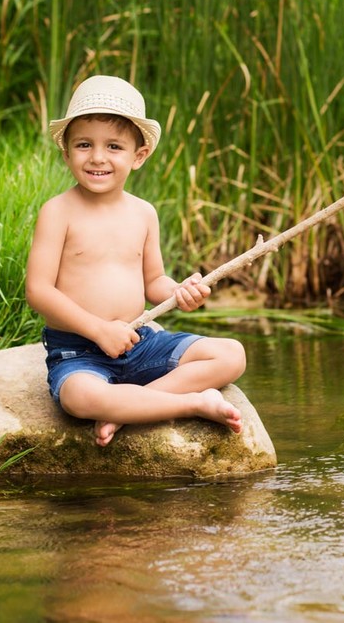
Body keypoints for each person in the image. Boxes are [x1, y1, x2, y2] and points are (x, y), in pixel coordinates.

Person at [25, 75, 245, 447]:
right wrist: (98, 330)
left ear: (138, 155)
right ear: (66, 152)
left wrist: (179, 291)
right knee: (80, 398)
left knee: (231, 355)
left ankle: (129, 407)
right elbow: (38, 291)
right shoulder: (58, 211)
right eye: (84, 144)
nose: (97, 157)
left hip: (138, 342)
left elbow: (153, 281)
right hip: (79, 351)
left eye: (114, 146)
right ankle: (190, 403)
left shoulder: (143, 213)